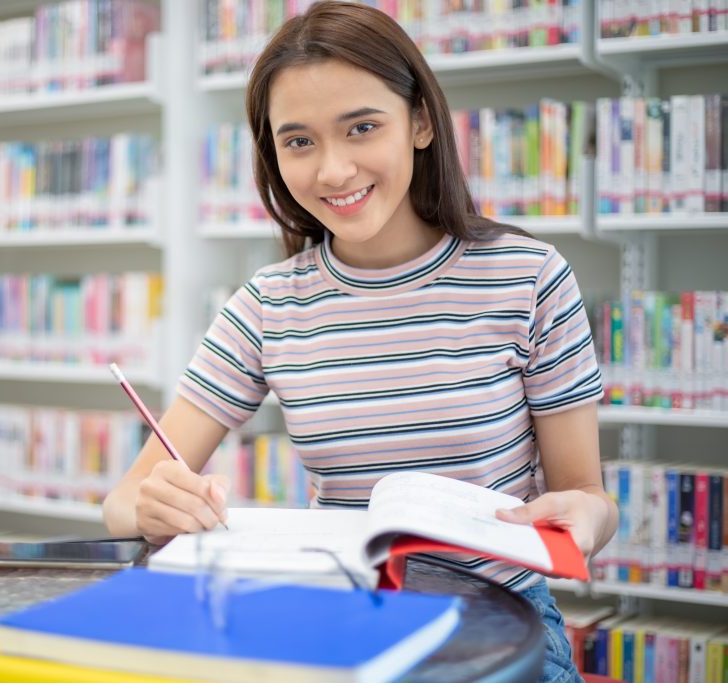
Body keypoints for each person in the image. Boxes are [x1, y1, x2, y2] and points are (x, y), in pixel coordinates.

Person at [104, 2, 617, 681]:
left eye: (362, 128)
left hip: (498, 624)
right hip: (338, 623)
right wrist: (150, 505)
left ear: (421, 122)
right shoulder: (268, 304)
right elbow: (120, 502)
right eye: (299, 142)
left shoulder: (530, 279)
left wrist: (585, 515)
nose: (333, 171)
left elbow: (590, 499)